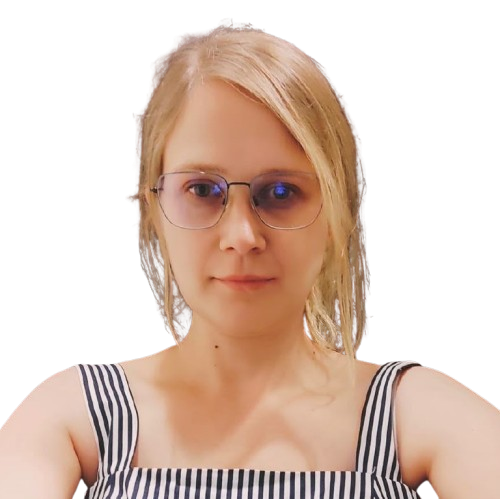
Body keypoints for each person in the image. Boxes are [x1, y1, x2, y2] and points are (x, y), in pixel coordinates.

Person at [1, 18, 499, 499]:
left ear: (337, 216)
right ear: (153, 211)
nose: (241, 237)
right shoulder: (74, 415)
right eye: (202, 190)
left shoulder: (414, 413)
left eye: (280, 192)